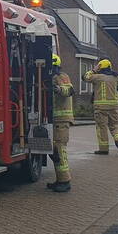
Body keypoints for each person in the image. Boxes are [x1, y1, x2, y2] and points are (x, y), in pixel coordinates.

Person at [83, 58, 118, 155]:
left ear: (100, 67)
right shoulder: (115, 78)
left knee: (102, 127)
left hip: (101, 107)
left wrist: (94, 70)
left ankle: (103, 149)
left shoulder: (97, 77)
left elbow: (85, 77)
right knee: (115, 126)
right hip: (114, 106)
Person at [48, 54, 73, 193]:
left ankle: (65, 181)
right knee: (54, 151)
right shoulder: (52, 77)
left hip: (61, 121)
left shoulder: (62, 76)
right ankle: (60, 179)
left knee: (59, 151)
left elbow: (69, 90)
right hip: (55, 121)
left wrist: (58, 89)